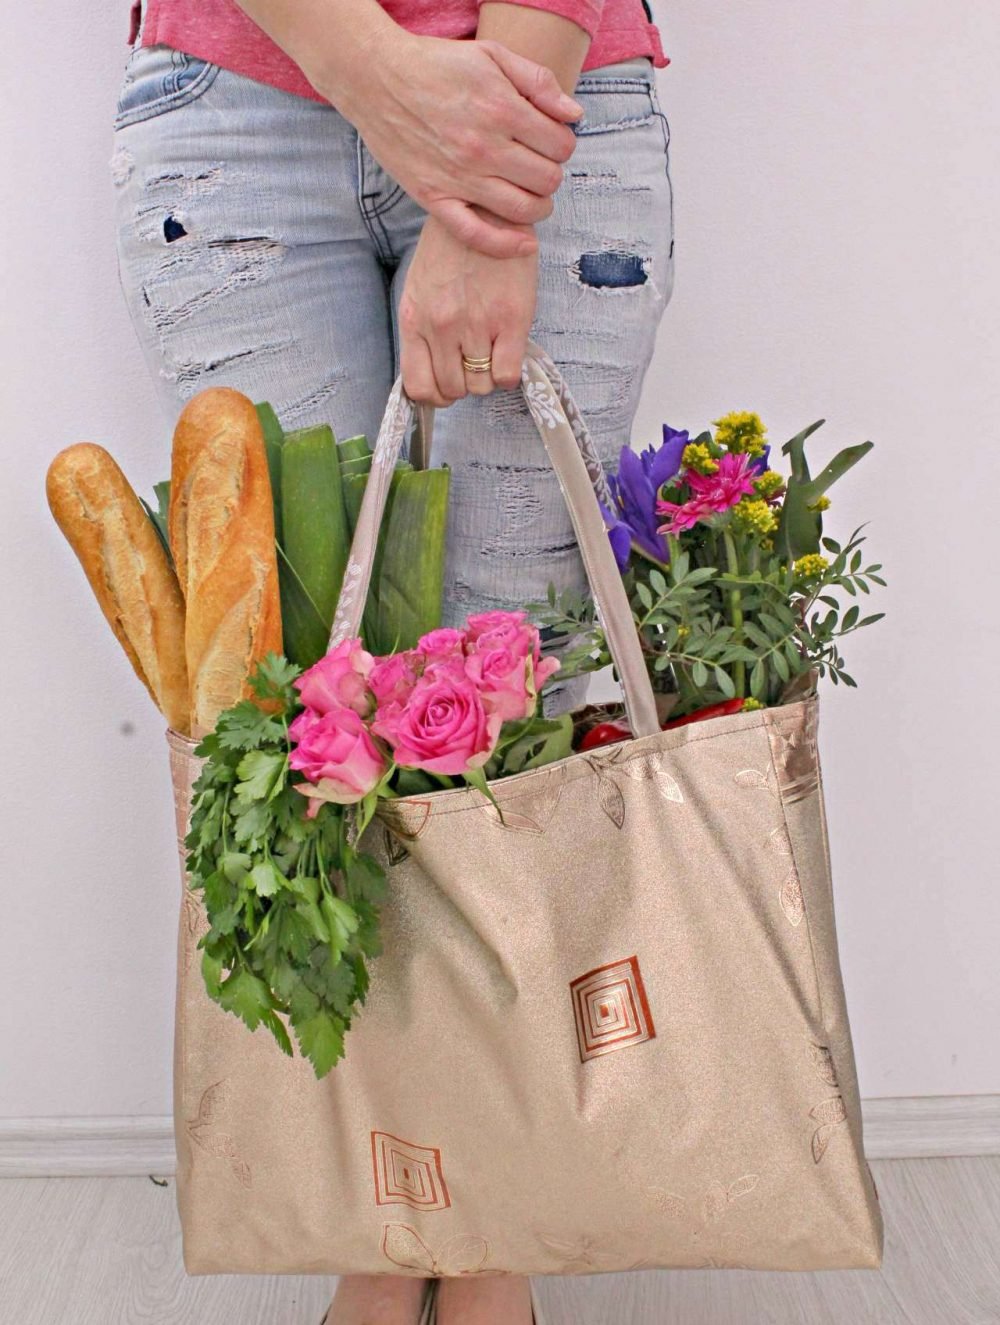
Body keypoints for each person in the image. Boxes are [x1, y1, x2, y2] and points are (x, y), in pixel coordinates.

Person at [111, 0, 674, 1320]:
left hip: (554, 80)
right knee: (307, 718)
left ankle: (485, 1226)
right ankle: (383, 1216)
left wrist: (489, 198)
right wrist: (368, 68)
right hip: (239, 98)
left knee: (512, 705)